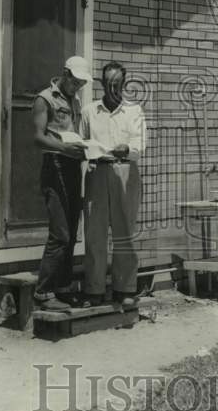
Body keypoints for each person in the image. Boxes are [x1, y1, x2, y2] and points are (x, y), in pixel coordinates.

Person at [80, 61, 147, 309]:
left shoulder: (134, 111)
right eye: (108, 85)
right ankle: (94, 290)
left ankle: (125, 288)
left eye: (117, 85)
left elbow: (140, 147)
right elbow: (81, 145)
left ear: (124, 84)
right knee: (95, 234)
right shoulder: (89, 111)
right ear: (100, 83)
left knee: (124, 233)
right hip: (97, 172)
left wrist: (126, 148)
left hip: (125, 173)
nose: (113, 89)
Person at [31, 56, 91, 312]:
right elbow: (38, 138)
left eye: (81, 83)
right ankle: (43, 292)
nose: (77, 87)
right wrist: (66, 149)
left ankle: (63, 288)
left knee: (71, 232)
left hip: (73, 167)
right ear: (65, 73)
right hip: (55, 165)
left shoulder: (74, 100)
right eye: (74, 81)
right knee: (60, 233)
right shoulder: (44, 98)